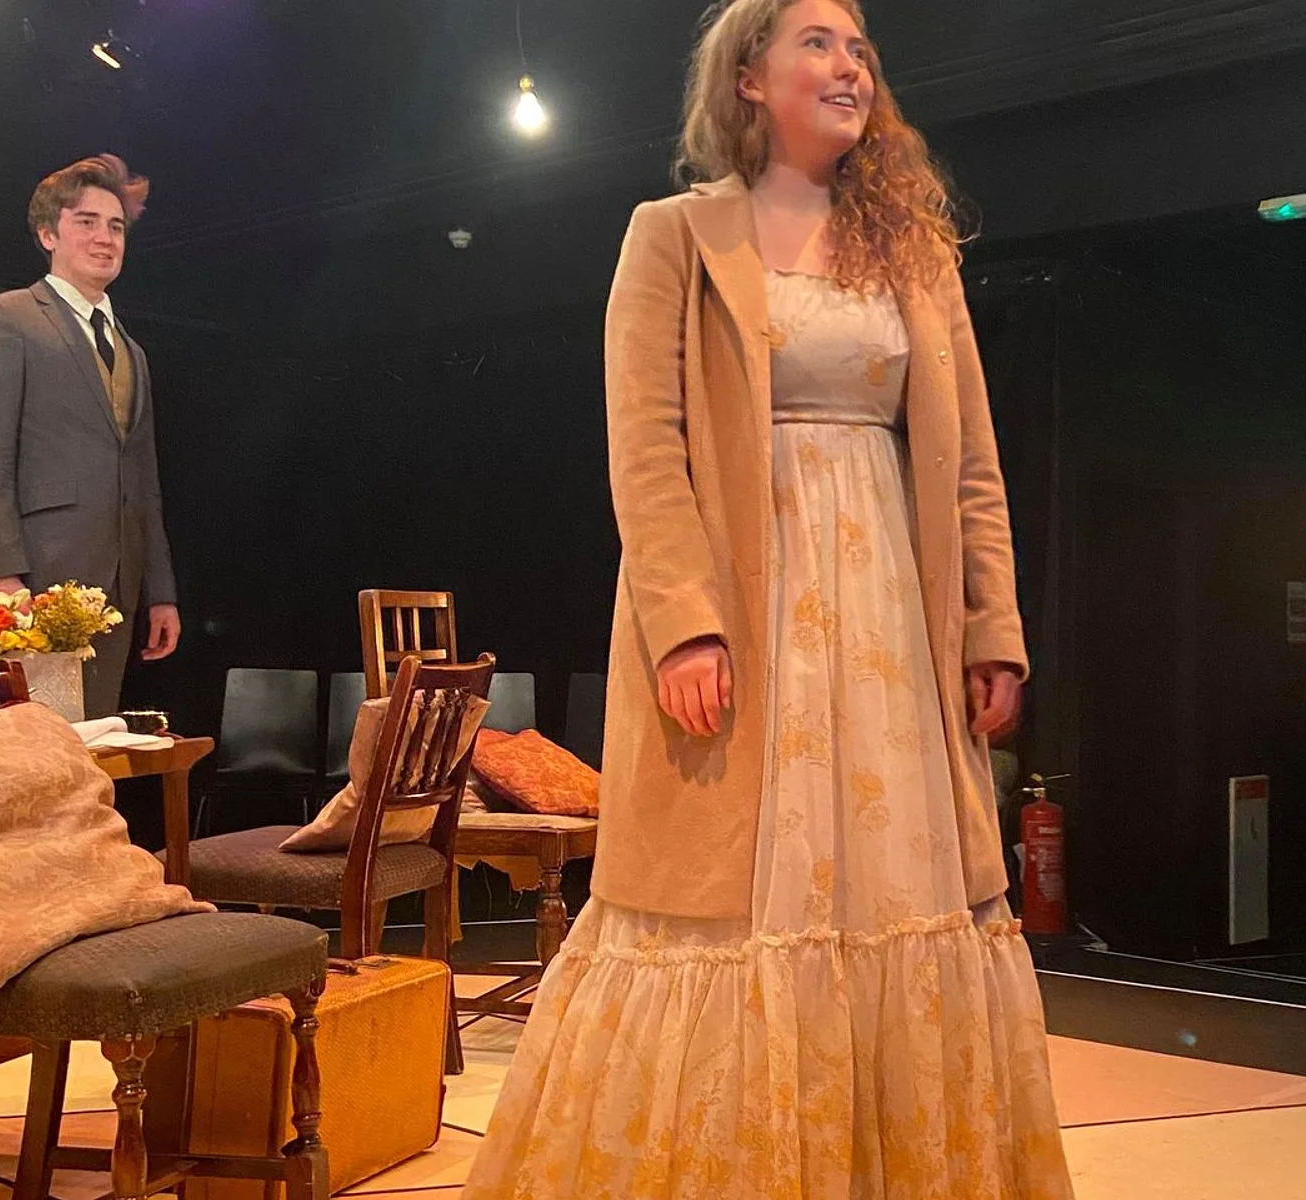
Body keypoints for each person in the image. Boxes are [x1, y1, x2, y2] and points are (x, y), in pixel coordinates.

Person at [463, 1, 1074, 1195]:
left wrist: (991, 627)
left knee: (895, 891)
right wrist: (684, 624)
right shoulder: (674, 235)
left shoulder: (914, 251)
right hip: (745, 605)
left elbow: (972, 463)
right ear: (749, 76)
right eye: (818, 44)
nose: (850, 67)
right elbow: (645, 447)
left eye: (860, 50)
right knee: (729, 893)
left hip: (891, 610)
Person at [0, 154, 181, 717]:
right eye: (87, 222)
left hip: (115, 587)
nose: (105, 238)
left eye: (116, 226)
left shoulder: (131, 350)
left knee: (90, 740)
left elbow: (143, 478)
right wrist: (1, 573)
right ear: (48, 234)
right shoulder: (2, 319)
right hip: (34, 578)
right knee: (28, 746)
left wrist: (161, 591)